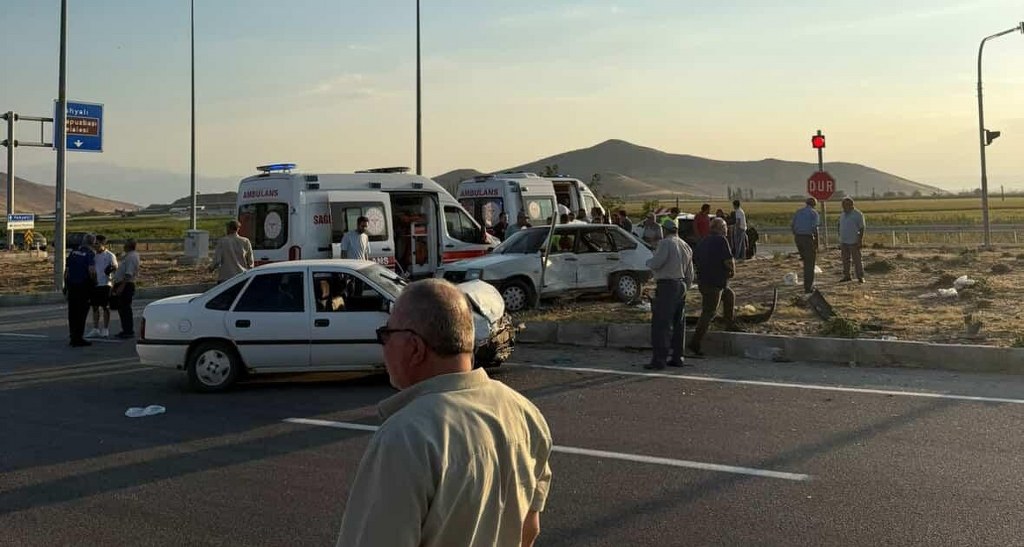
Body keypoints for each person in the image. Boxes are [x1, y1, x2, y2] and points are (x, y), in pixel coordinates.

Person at [337, 279, 553, 547]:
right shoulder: (525, 413)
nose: (383, 345)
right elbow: (529, 530)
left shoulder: (405, 437)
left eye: (386, 334)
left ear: (414, 348)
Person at [645, 219, 694, 369]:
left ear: (664, 230)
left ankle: (659, 360)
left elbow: (657, 263)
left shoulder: (666, 243)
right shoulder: (685, 245)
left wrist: (648, 262)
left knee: (661, 324)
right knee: (678, 323)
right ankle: (677, 357)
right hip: (681, 285)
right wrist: (685, 287)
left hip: (667, 285)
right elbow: (690, 273)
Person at [688, 218, 737, 357]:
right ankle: (695, 343)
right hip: (714, 283)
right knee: (709, 312)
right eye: (725, 227)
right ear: (719, 228)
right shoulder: (721, 240)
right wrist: (732, 271)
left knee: (729, 295)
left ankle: (729, 323)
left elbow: (695, 259)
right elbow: (728, 260)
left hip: (705, 281)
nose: (726, 230)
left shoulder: (703, 241)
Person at [64, 233, 97, 347]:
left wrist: (66, 285)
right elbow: (92, 271)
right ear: (92, 243)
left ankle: (73, 335)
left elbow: (67, 271)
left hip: (72, 285)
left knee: (72, 312)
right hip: (83, 286)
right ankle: (78, 337)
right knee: (82, 312)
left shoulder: (73, 252)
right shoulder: (89, 253)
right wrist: (94, 283)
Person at [86, 234, 118, 338]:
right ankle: (95, 328)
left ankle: (105, 328)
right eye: (94, 244)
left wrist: (112, 269)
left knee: (105, 307)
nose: (95, 246)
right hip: (95, 284)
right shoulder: (93, 255)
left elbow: (115, 267)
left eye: (97, 244)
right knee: (95, 307)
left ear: (103, 244)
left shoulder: (109, 255)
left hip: (105, 284)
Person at [111, 239, 140, 339]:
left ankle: (128, 330)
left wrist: (122, 286)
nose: (123, 246)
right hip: (122, 283)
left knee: (125, 309)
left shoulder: (132, 257)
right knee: (122, 309)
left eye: (125, 244)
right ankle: (125, 329)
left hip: (126, 285)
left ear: (129, 246)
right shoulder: (127, 256)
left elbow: (129, 274)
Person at [791, 197, 821, 294]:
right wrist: (817, 243)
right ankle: (808, 287)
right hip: (807, 238)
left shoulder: (799, 212)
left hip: (798, 238)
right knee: (809, 264)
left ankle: (807, 284)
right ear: (814, 205)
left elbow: (792, 226)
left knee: (805, 261)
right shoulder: (813, 213)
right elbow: (815, 228)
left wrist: (797, 236)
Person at [838, 197, 866, 283]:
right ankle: (847, 276)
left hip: (854, 241)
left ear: (851, 205)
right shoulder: (842, 214)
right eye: (843, 205)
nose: (843, 207)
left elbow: (861, 228)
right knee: (845, 260)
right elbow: (839, 225)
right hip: (844, 241)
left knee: (857, 260)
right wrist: (839, 237)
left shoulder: (858, 214)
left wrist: (860, 240)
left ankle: (860, 276)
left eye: (845, 205)